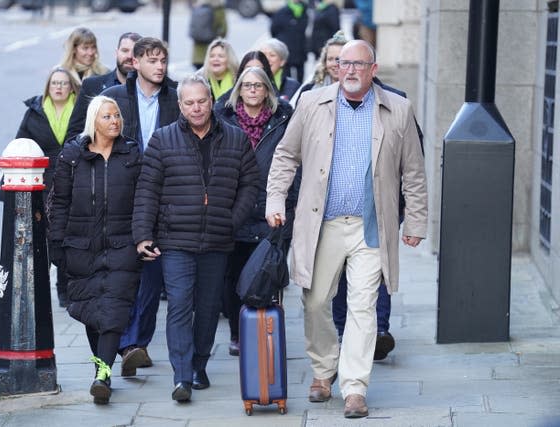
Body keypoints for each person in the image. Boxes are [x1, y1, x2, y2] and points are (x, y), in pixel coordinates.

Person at [265, 40, 428, 418]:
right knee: (316, 301)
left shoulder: (398, 109)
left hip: (371, 227)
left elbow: (414, 173)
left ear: (374, 69)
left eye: (359, 64)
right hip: (322, 224)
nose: (350, 69)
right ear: (335, 68)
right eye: (343, 63)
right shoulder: (312, 103)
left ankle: (354, 386)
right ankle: (324, 370)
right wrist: (276, 200)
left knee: (362, 307)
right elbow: (286, 155)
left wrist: (416, 219)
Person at [133, 74, 260, 402]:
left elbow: (250, 184)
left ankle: (199, 363)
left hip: (218, 239)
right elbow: (147, 190)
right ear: (180, 105)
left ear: (211, 100)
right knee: (178, 304)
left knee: (206, 309)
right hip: (175, 239)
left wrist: (231, 221)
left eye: (202, 101)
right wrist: (143, 235)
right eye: (189, 102)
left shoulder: (235, 138)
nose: (196, 108)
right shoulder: (162, 140)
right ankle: (182, 374)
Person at [47, 95, 143, 405]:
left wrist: (143, 237)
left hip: (122, 245)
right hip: (81, 246)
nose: (114, 121)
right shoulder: (73, 156)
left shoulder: (131, 154)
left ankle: (102, 374)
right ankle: (103, 367)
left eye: (117, 116)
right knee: (89, 310)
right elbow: (58, 202)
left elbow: (143, 201)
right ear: (94, 122)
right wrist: (56, 242)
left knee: (114, 310)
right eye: (107, 117)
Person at [101, 36, 180, 377]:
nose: (159, 66)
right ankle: (125, 342)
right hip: (122, 195)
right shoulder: (114, 98)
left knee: (151, 272)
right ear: (135, 63)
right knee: (123, 273)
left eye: (163, 60)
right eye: (152, 60)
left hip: (163, 196)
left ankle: (135, 343)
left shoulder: (175, 98)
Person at [216, 67, 294, 356]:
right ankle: (238, 334)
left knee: (265, 276)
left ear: (266, 91)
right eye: (246, 85)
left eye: (258, 85)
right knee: (235, 276)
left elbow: (294, 162)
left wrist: (289, 202)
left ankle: (265, 334)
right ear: (239, 89)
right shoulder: (224, 118)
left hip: (270, 210)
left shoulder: (282, 119)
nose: (252, 90)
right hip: (234, 210)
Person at [15, 67, 80, 308]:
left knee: (69, 236)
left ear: (71, 87)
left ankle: (66, 287)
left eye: (64, 83)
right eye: (54, 83)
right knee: (49, 238)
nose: (59, 87)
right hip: (44, 185)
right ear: (48, 87)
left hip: (75, 179)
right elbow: (19, 146)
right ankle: (53, 285)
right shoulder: (35, 113)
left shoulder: (82, 109)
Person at [67, 32, 143, 140]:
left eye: (135, 52)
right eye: (125, 50)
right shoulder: (92, 86)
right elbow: (74, 132)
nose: (129, 56)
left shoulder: (150, 90)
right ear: (116, 53)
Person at [213, 50, 276, 115]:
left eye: (258, 69)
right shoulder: (224, 107)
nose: (252, 72)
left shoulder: (281, 110)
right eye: (248, 68)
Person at [269, 0, 309, 84]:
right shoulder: (282, 12)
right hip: (286, 50)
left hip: (300, 49)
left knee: (300, 77)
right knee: (287, 78)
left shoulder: (304, 11)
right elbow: (273, 30)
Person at [190, 0, 227, 70]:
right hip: (211, 56)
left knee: (198, 78)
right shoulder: (218, 8)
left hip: (197, 57)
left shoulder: (198, 5)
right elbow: (224, 30)